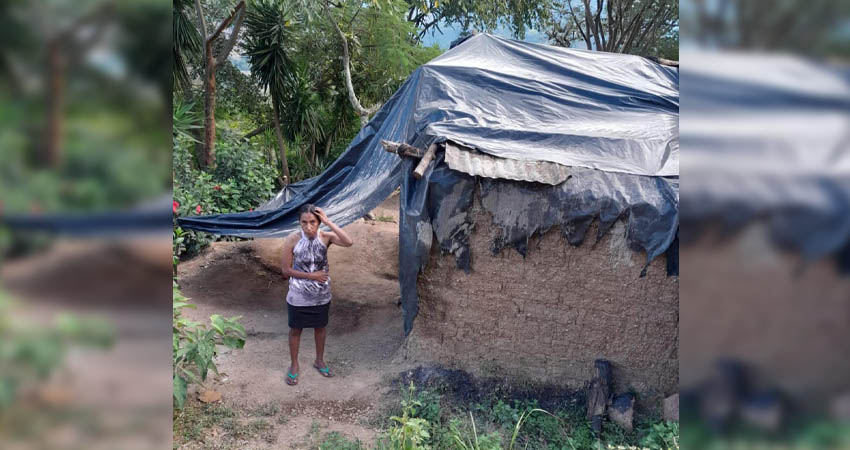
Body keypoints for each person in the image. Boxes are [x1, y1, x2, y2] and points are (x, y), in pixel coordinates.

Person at [281, 204, 353, 386]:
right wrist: (311, 276)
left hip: (321, 294)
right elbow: (285, 270)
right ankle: (294, 365)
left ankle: (319, 361)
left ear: (318, 222)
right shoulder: (292, 239)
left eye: (313, 222)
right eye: (304, 222)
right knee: (295, 329)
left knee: (320, 327)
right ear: (299, 223)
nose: (308, 227)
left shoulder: (326, 237)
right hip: (298, 294)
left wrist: (328, 221)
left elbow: (348, 242)